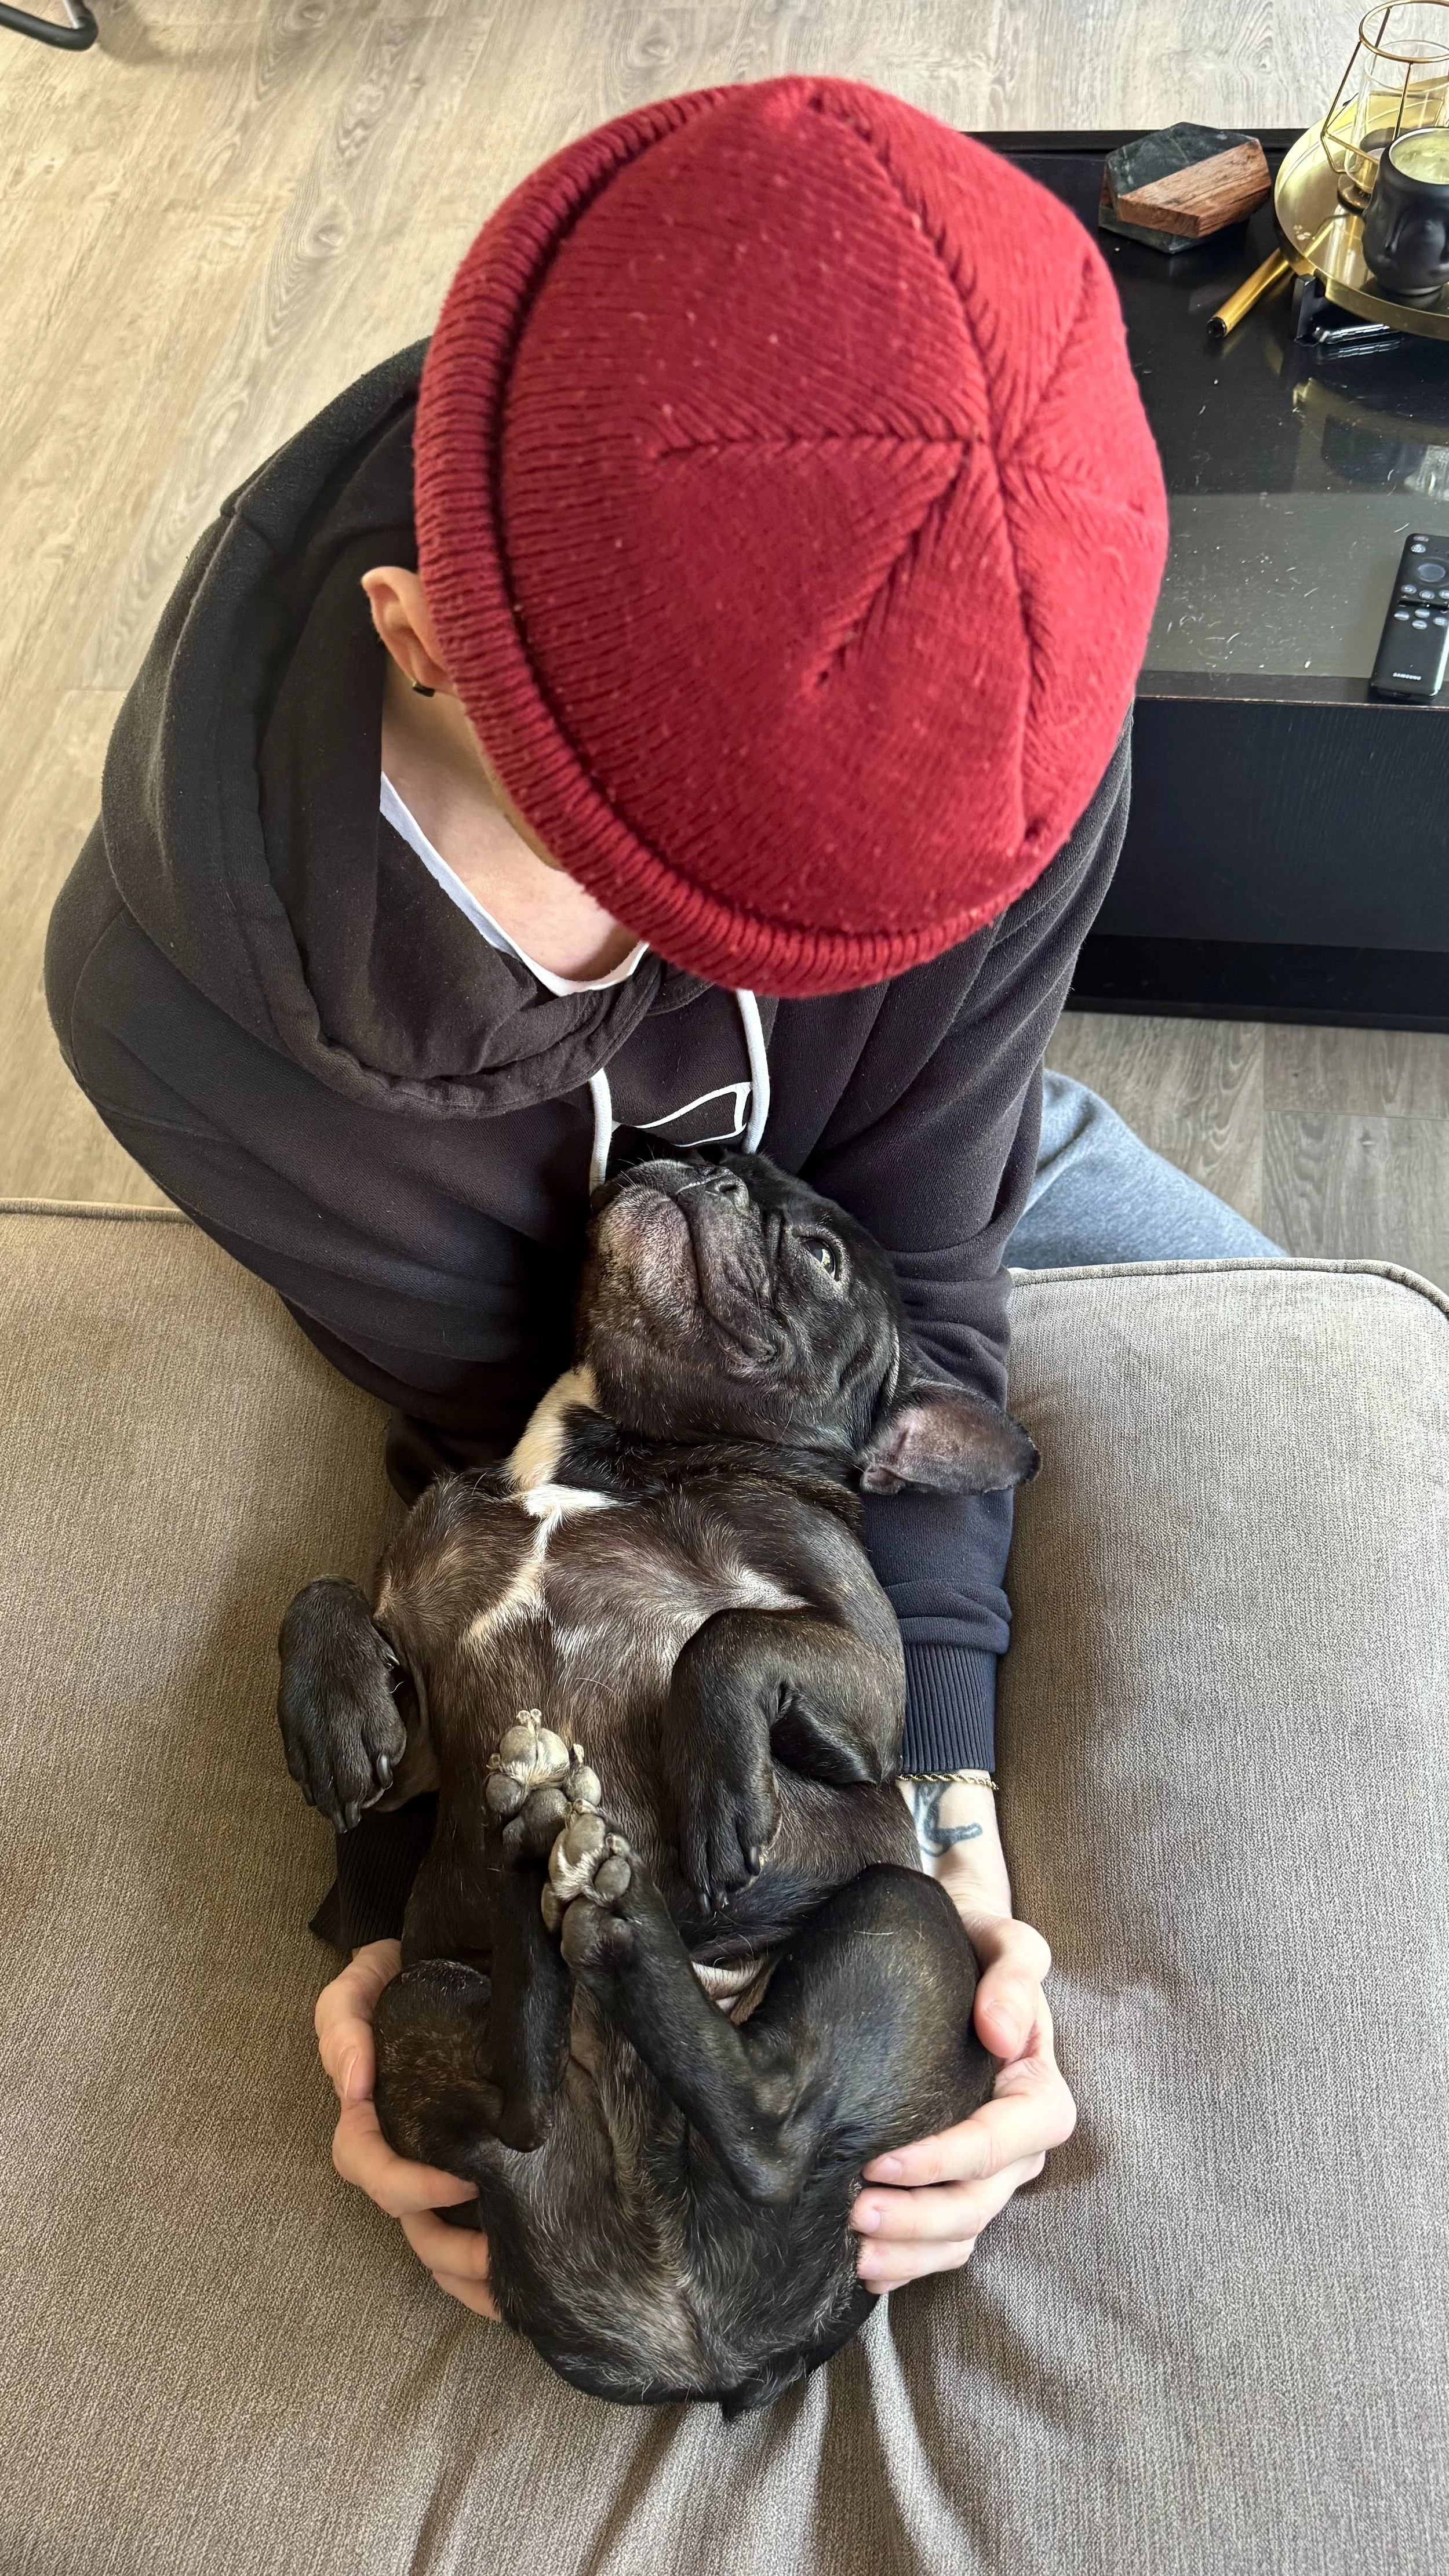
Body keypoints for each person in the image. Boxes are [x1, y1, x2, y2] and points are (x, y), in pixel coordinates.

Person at [46, 77, 1277, 2324]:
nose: (764, 982)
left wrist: (947, 1820)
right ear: (419, 642)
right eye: (668, 897)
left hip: (850, 1286)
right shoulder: (203, 1022)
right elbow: (522, 1433)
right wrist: (404, 1902)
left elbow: (920, 1251)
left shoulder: (997, 689)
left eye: (838, 931)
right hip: (600, 1335)